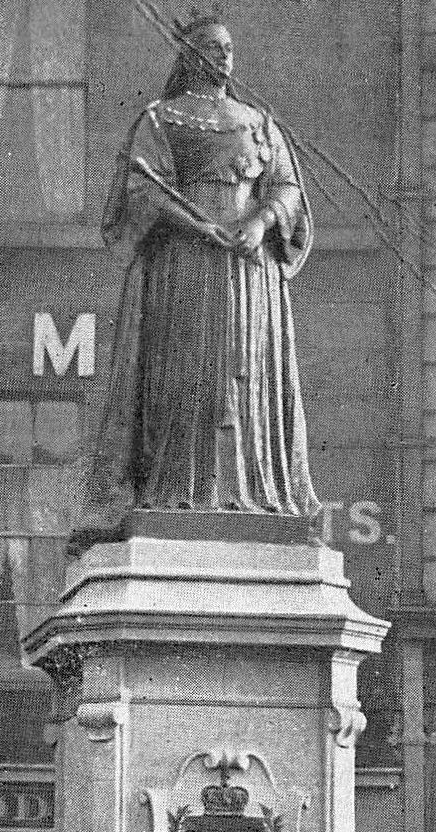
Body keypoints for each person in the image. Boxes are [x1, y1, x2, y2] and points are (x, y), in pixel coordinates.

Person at [85, 15, 321, 533]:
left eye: (230, 48)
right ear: (188, 54)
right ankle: (173, 493)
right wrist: (193, 224)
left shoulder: (258, 123)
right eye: (213, 47)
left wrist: (259, 223)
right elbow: (141, 190)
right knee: (185, 373)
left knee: (244, 373)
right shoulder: (160, 120)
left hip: (248, 272)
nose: (225, 57)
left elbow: (287, 189)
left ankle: (252, 492)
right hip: (183, 269)